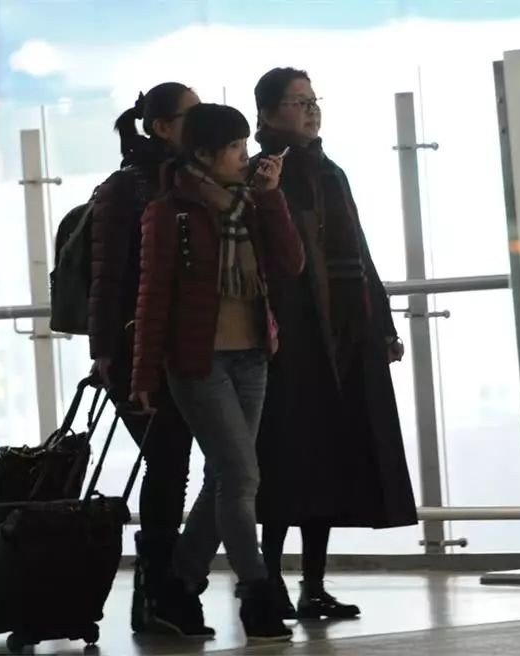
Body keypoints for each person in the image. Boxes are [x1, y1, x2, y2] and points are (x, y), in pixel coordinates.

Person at [130, 103, 305, 640]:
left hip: (252, 354)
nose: (245, 156)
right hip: (197, 362)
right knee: (242, 475)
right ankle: (257, 590)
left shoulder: (251, 203)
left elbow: (290, 263)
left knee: (226, 477)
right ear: (204, 154)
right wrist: (142, 374)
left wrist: (272, 197)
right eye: (234, 148)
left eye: (245, 145)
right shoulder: (169, 213)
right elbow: (153, 296)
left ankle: (178, 587)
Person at [252, 67, 418, 620]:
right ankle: (267, 579)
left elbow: (359, 253)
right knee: (285, 459)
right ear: (268, 113)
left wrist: (382, 325)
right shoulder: (261, 174)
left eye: (313, 100)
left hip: (341, 335)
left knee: (327, 455)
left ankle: (313, 584)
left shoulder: (329, 171)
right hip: (288, 341)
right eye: (298, 102)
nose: (311, 110)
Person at [87, 82, 209, 634]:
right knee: (169, 460)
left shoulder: (193, 179)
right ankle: (159, 591)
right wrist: (105, 352)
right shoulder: (128, 187)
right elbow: (107, 276)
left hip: (180, 347)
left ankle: (161, 591)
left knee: (178, 464)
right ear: (161, 127)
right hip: (136, 350)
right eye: (191, 115)